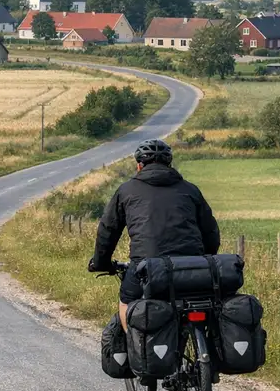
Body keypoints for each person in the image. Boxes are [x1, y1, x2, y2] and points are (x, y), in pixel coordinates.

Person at [88, 139, 220, 332]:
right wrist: (205, 259)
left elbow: (108, 230)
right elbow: (210, 231)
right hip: (192, 266)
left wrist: (101, 262)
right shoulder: (190, 189)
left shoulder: (126, 190)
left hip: (146, 267)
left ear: (139, 166)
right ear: (169, 164)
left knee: (127, 301)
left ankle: (135, 348)